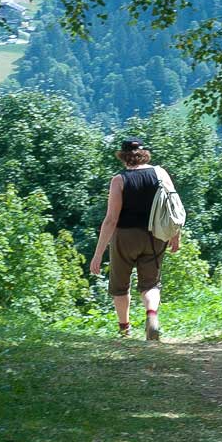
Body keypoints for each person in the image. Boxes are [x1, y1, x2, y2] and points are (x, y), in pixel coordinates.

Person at [88, 139, 181, 341]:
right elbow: (173, 207)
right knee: (151, 284)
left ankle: (125, 330)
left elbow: (111, 219)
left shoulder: (119, 180)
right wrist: (175, 234)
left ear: (123, 157)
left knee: (120, 285)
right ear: (144, 154)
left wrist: (98, 254)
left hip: (125, 238)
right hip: (155, 235)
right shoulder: (160, 173)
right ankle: (152, 317)